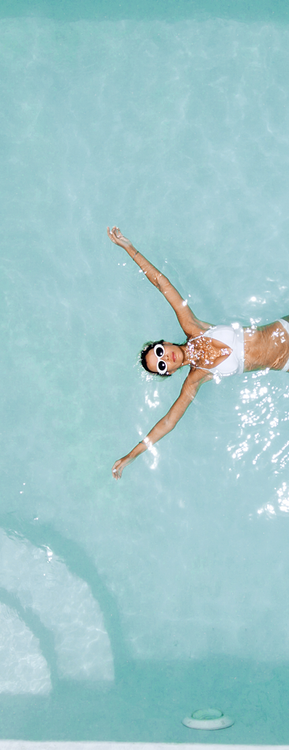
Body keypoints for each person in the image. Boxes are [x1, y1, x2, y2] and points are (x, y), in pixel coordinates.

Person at [107, 226, 289, 479]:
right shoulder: (197, 378)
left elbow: (162, 283)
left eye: (159, 351)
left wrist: (129, 248)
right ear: (168, 372)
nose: (164, 358)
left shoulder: (193, 327)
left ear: (166, 343)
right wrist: (132, 455)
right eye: (160, 366)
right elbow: (168, 422)